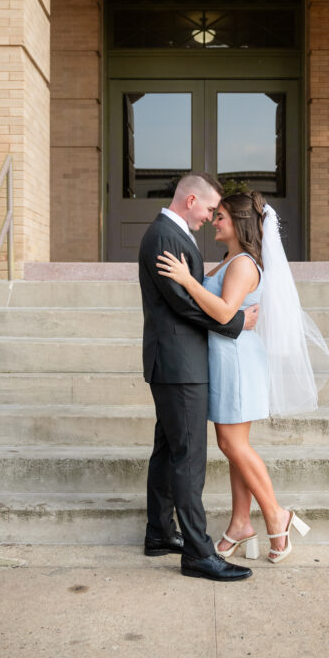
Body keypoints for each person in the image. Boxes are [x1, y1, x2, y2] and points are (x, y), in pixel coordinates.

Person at [157, 190, 329, 564]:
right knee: (232, 445)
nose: (214, 222)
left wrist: (188, 281)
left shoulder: (243, 265)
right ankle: (240, 524)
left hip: (236, 361)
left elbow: (223, 313)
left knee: (233, 445)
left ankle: (276, 515)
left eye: (220, 216)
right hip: (225, 359)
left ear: (238, 223)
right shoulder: (229, 260)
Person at [138, 172, 259, 582]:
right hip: (180, 365)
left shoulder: (169, 234)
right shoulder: (166, 238)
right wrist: (237, 322)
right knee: (188, 459)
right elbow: (186, 305)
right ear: (191, 201)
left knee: (169, 450)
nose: (210, 217)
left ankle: (159, 533)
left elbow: (187, 300)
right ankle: (198, 553)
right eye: (209, 209)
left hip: (176, 362)